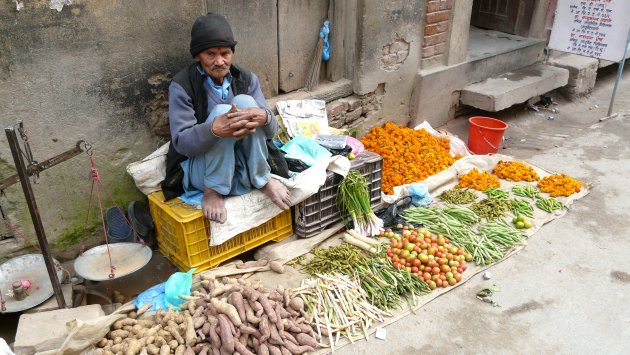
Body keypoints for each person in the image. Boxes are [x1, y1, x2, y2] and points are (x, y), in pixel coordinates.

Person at [162, 12, 291, 224]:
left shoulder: (247, 78)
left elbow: (272, 132)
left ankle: (262, 179)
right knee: (223, 112)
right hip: (203, 170)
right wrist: (213, 129)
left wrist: (265, 118)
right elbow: (182, 143)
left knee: (246, 104)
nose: (220, 61)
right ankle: (213, 191)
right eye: (210, 54)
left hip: (243, 160)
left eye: (225, 53)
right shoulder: (182, 85)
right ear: (197, 56)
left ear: (232, 53)